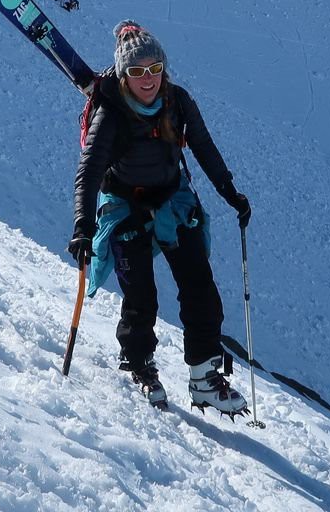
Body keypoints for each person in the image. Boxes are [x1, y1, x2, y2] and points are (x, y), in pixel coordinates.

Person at [69, 21, 252, 414]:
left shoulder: (177, 101)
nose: (148, 78)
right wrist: (83, 226)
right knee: (141, 296)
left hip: (173, 201)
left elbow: (203, 145)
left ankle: (204, 377)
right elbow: (89, 171)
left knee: (200, 286)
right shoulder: (111, 113)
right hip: (125, 207)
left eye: (155, 69)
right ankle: (139, 364)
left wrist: (230, 192)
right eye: (137, 71)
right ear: (123, 75)